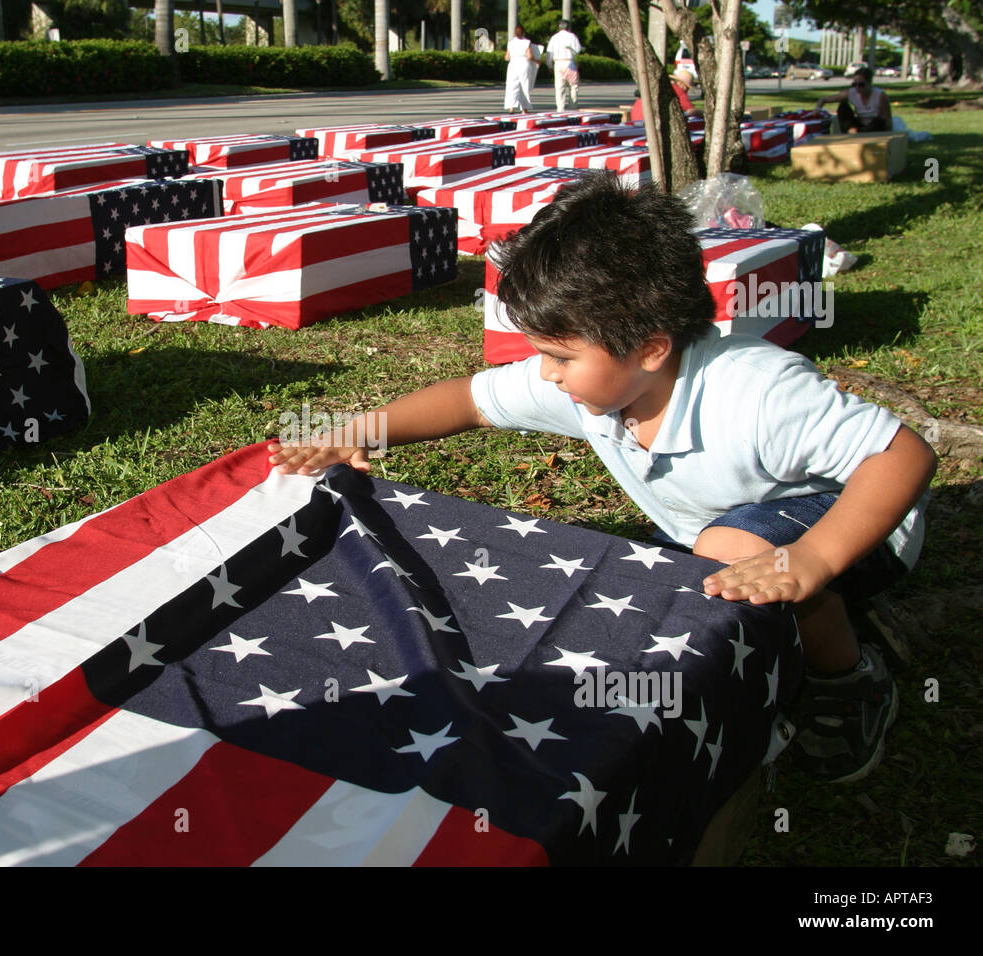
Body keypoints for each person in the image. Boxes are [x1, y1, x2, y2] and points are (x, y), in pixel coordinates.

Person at [269, 172, 936, 784]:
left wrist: (813, 560)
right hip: (716, 531)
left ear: (650, 346)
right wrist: (358, 431)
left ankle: (846, 681)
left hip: (862, 523)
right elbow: (467, 402)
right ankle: (793, 631)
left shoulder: (758, 390)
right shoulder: (597, 376)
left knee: (727, 554)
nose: (547, 375)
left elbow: (903, 457)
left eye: (558, 356)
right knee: (657, 596)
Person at [817, 66, 892, 133]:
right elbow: (824, 99)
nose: (857, 88)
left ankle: (860, 132)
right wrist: (817, 109)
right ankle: (852, 130)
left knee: (879, 121)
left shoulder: (880, 95)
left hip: (874, 125)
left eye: (861, 85)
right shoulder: (851, 92)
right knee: (843, 106)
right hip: (859, 123)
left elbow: (887, 119)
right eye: (855, 84)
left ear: (869, 82)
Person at [547, 18, 582, 112]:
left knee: (559, 87)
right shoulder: (572, 36)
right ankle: (573, 106)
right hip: (569, 62)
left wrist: (549, 65)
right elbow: (578, 50)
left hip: (558, 63)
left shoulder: (554, 37)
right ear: (568, 27)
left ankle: (560, 108)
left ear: (559, 27)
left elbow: (549, 53)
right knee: (573, 85)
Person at [503, 24, 535, 113]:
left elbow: (507, 57)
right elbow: (529, 56)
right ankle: (524, 109)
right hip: (524, 64)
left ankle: (511, 107)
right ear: (523, 32)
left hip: (513, 65)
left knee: (511, 86)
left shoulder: (511, 42)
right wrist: (536, 60)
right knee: (524, 86)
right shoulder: (527, 42)